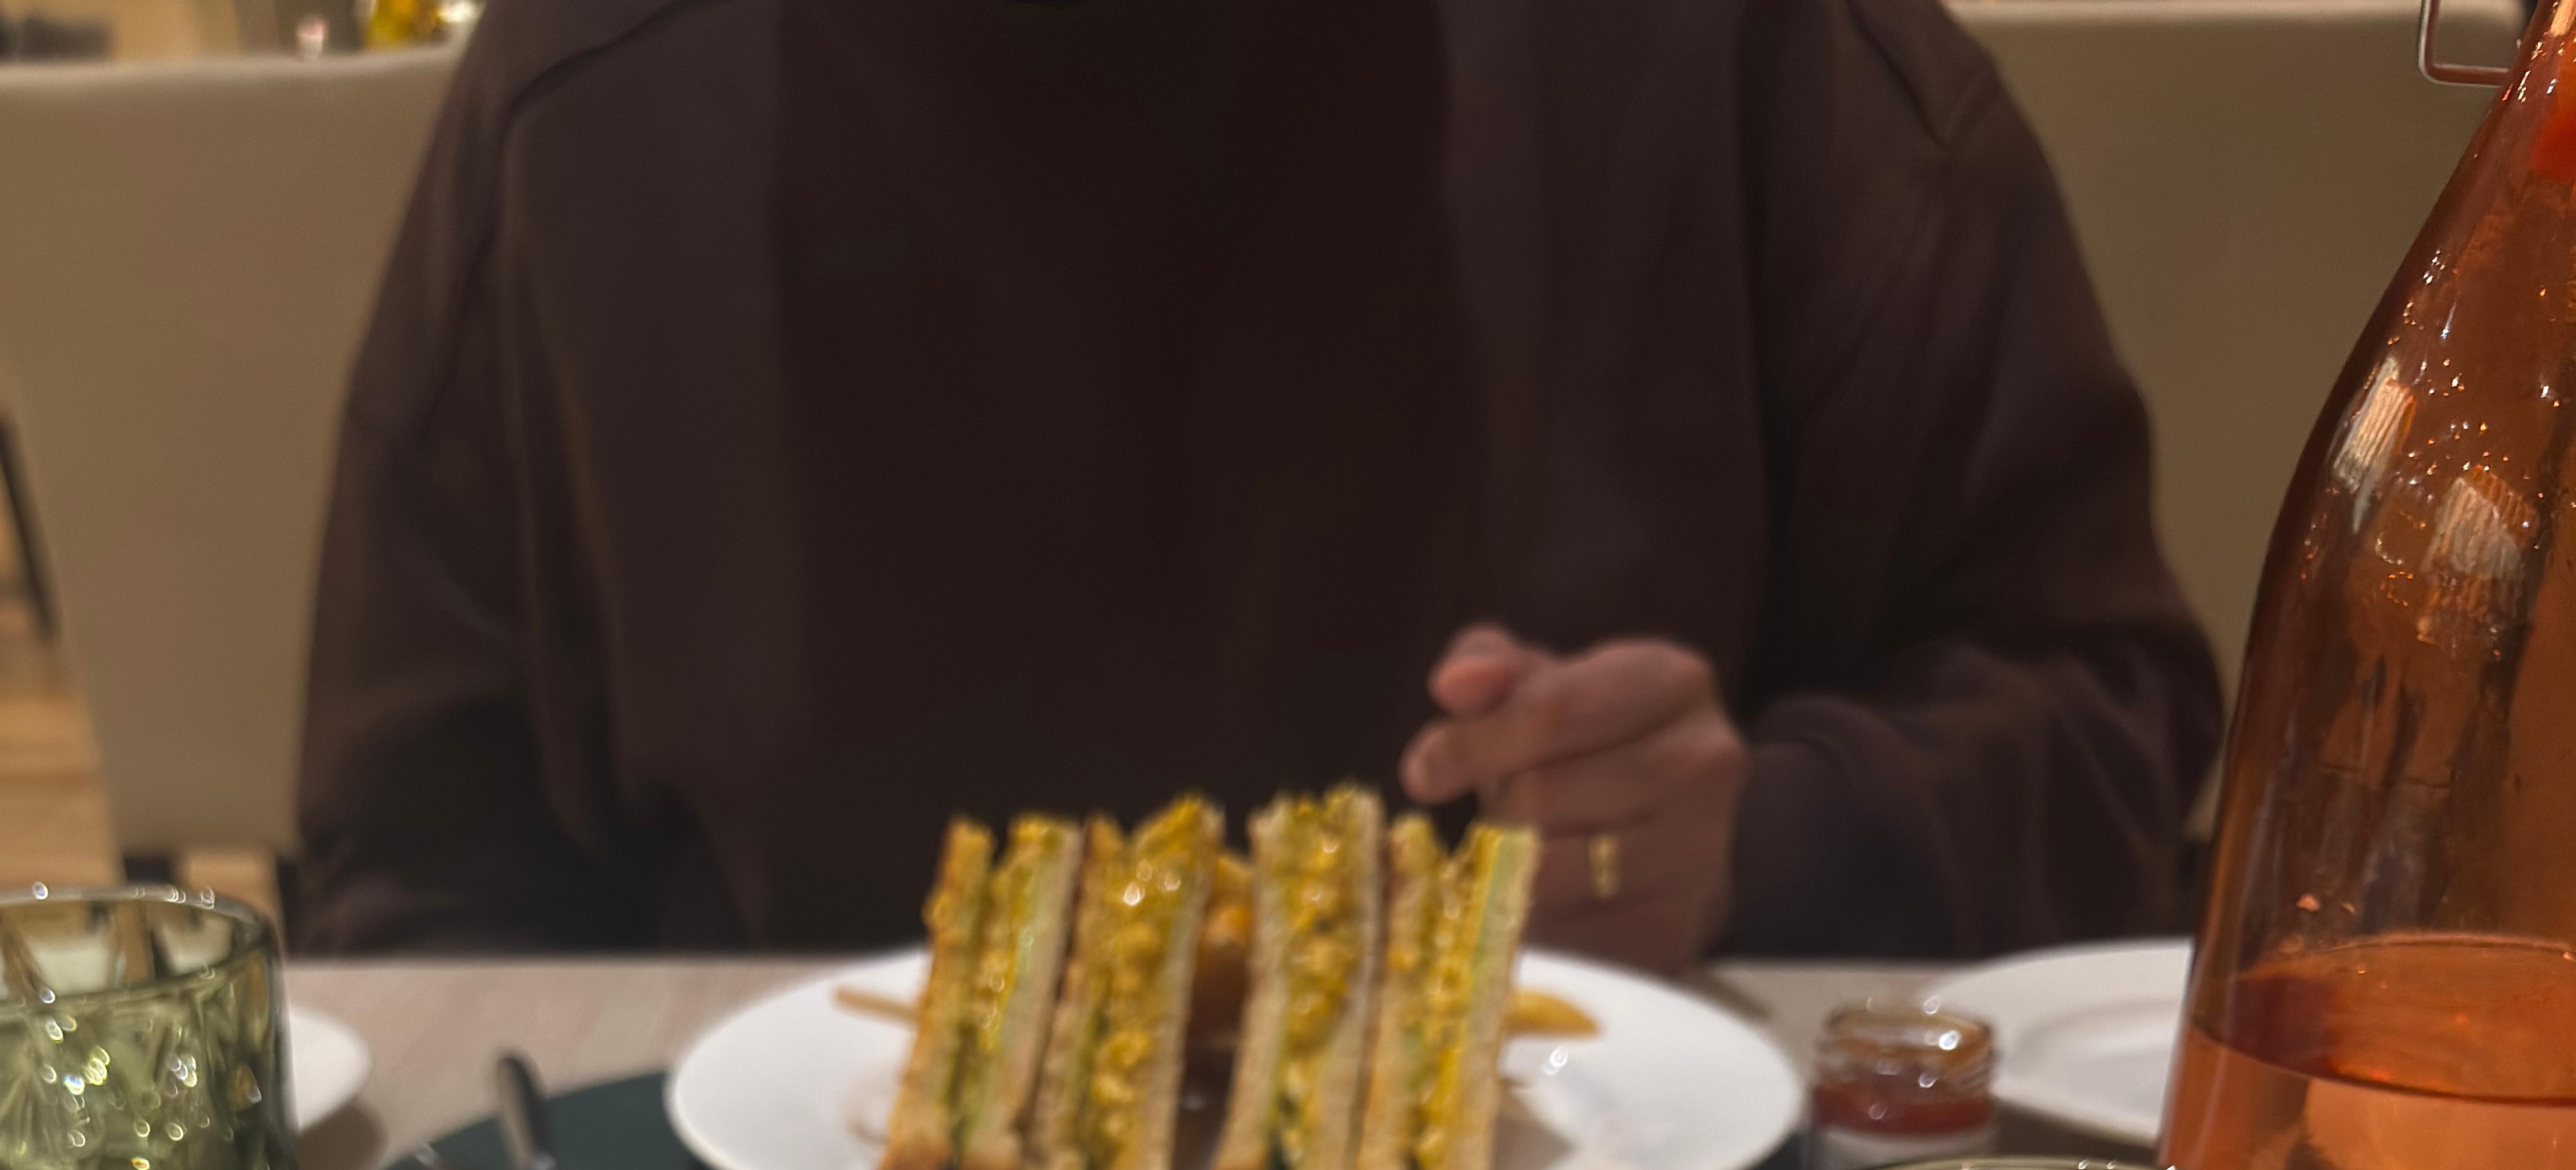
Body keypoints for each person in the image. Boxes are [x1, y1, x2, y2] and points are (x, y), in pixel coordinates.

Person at [295, 0, 2220, 976]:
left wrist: (1764, 842)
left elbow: (2108, 712)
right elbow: (420, 873)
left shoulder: (1721, 52)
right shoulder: (601, 99)